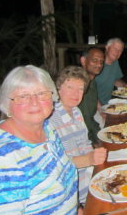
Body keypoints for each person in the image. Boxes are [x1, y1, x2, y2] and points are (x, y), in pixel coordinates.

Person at [0, 65, 78, 213]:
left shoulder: (47, 129)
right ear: (7, 104)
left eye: (42, 94)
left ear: (52, 96)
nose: (34, 102)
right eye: (23, 96)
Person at [49, 66, 107, 205]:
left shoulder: (76, 111)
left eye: (80, 89)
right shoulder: (51, 119)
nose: (76, 94)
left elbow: (86, 144)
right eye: (70, 87)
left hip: (92, 177)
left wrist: (95, 158)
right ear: (58, 89)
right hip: (74, 191)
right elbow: (55, 166)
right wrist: (88, 159)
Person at [78, 46, 105, 144]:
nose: (99, 64)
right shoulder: (79, 84)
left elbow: (94, 99)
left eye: (101, 62)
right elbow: (85, 120)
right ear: (83, 60)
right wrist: (98, 141)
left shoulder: (91, 80)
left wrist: (101, 109)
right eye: (95, 60)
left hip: (92, 122)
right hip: (83, 136)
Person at [95, 38, 127, 105]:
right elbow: (88, 90)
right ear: (107, 47)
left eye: (120, 50)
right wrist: (99, 107)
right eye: (115, 49)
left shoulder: (115, 62)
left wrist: (125, 85)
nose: (117, 52)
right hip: (95, 105)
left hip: (109, 102)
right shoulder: (97, 64)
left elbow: (115, 80)